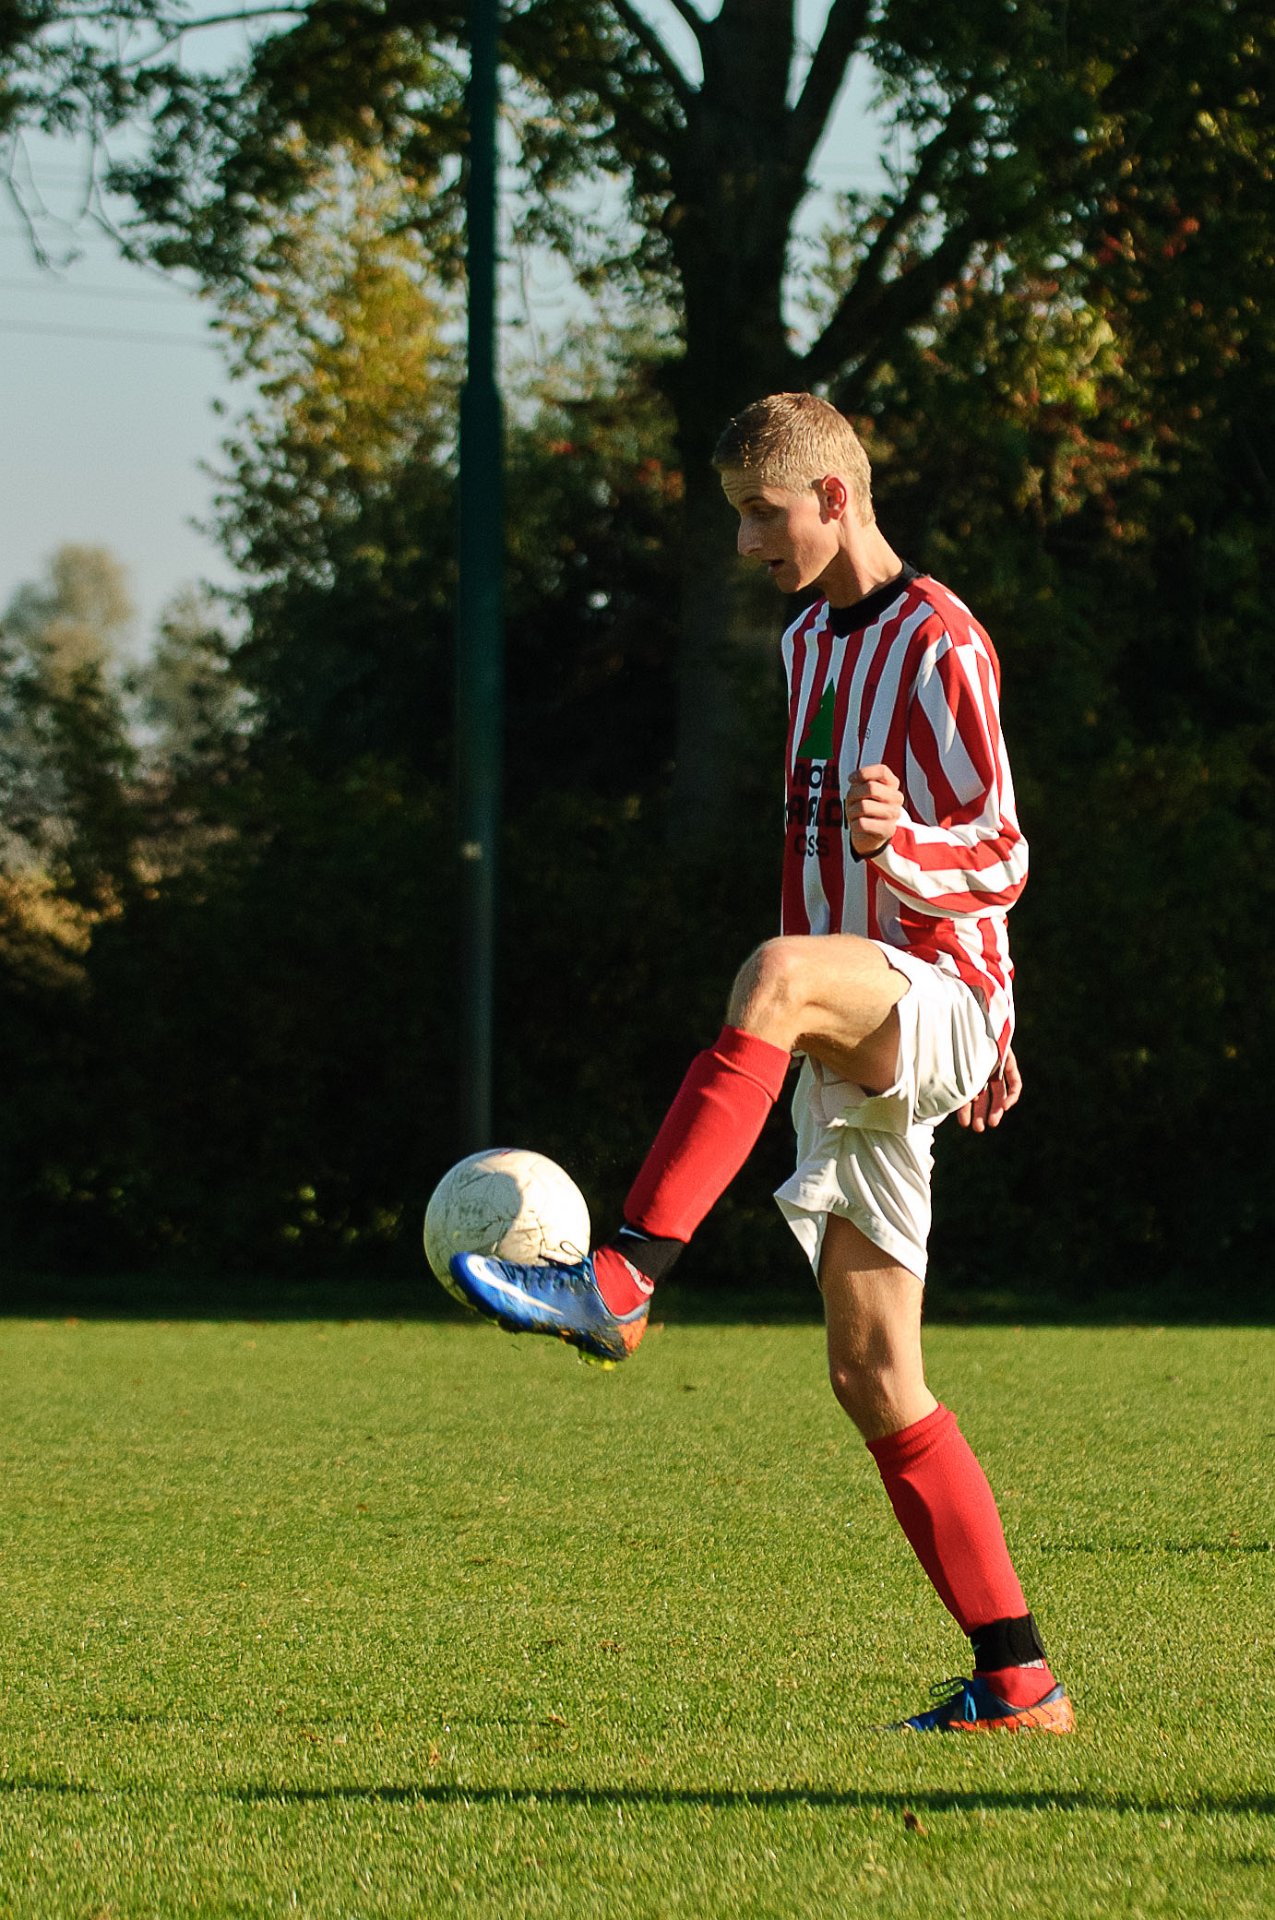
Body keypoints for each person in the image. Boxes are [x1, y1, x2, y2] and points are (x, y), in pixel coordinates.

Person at [451, 391, 1073, 1735]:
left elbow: (1003, 848)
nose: (745, 543)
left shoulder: (942, 639)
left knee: (778, 972)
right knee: (873, 1373)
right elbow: (817, 863)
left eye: (759, 513)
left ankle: (622, 1280)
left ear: (834, 497)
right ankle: (1018, 1678)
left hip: (926, 988)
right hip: (863, 1025)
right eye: (737, 515)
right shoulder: (804, 642)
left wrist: (920, 882)